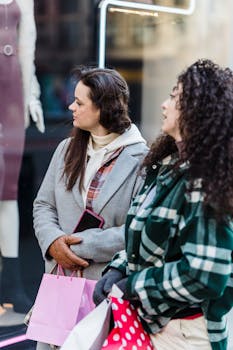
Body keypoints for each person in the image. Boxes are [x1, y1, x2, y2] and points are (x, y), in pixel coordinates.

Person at [93, 59, 233, 350]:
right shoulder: (167, 166)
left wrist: (133, 286)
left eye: (174, 97)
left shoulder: (203, 178)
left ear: (196, 111)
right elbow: (144, 238)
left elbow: (205, 274)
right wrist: (118, 269)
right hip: (156, 325)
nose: (164, 105)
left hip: (185, 334)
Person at [33, 66, 148, 349]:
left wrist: (76, 246)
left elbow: (138, 230)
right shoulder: (65, 149)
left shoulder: (142, 161)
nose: (71, 106)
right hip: (61, 283)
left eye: (80, 102)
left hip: (106, 291)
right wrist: (53, 242)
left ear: (103, 108)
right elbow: (43, 205)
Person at [0, 0, 44, 316]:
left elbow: (28, 46)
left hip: (13, 90)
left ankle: (13, 284)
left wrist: (31, 96)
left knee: (9, 191)